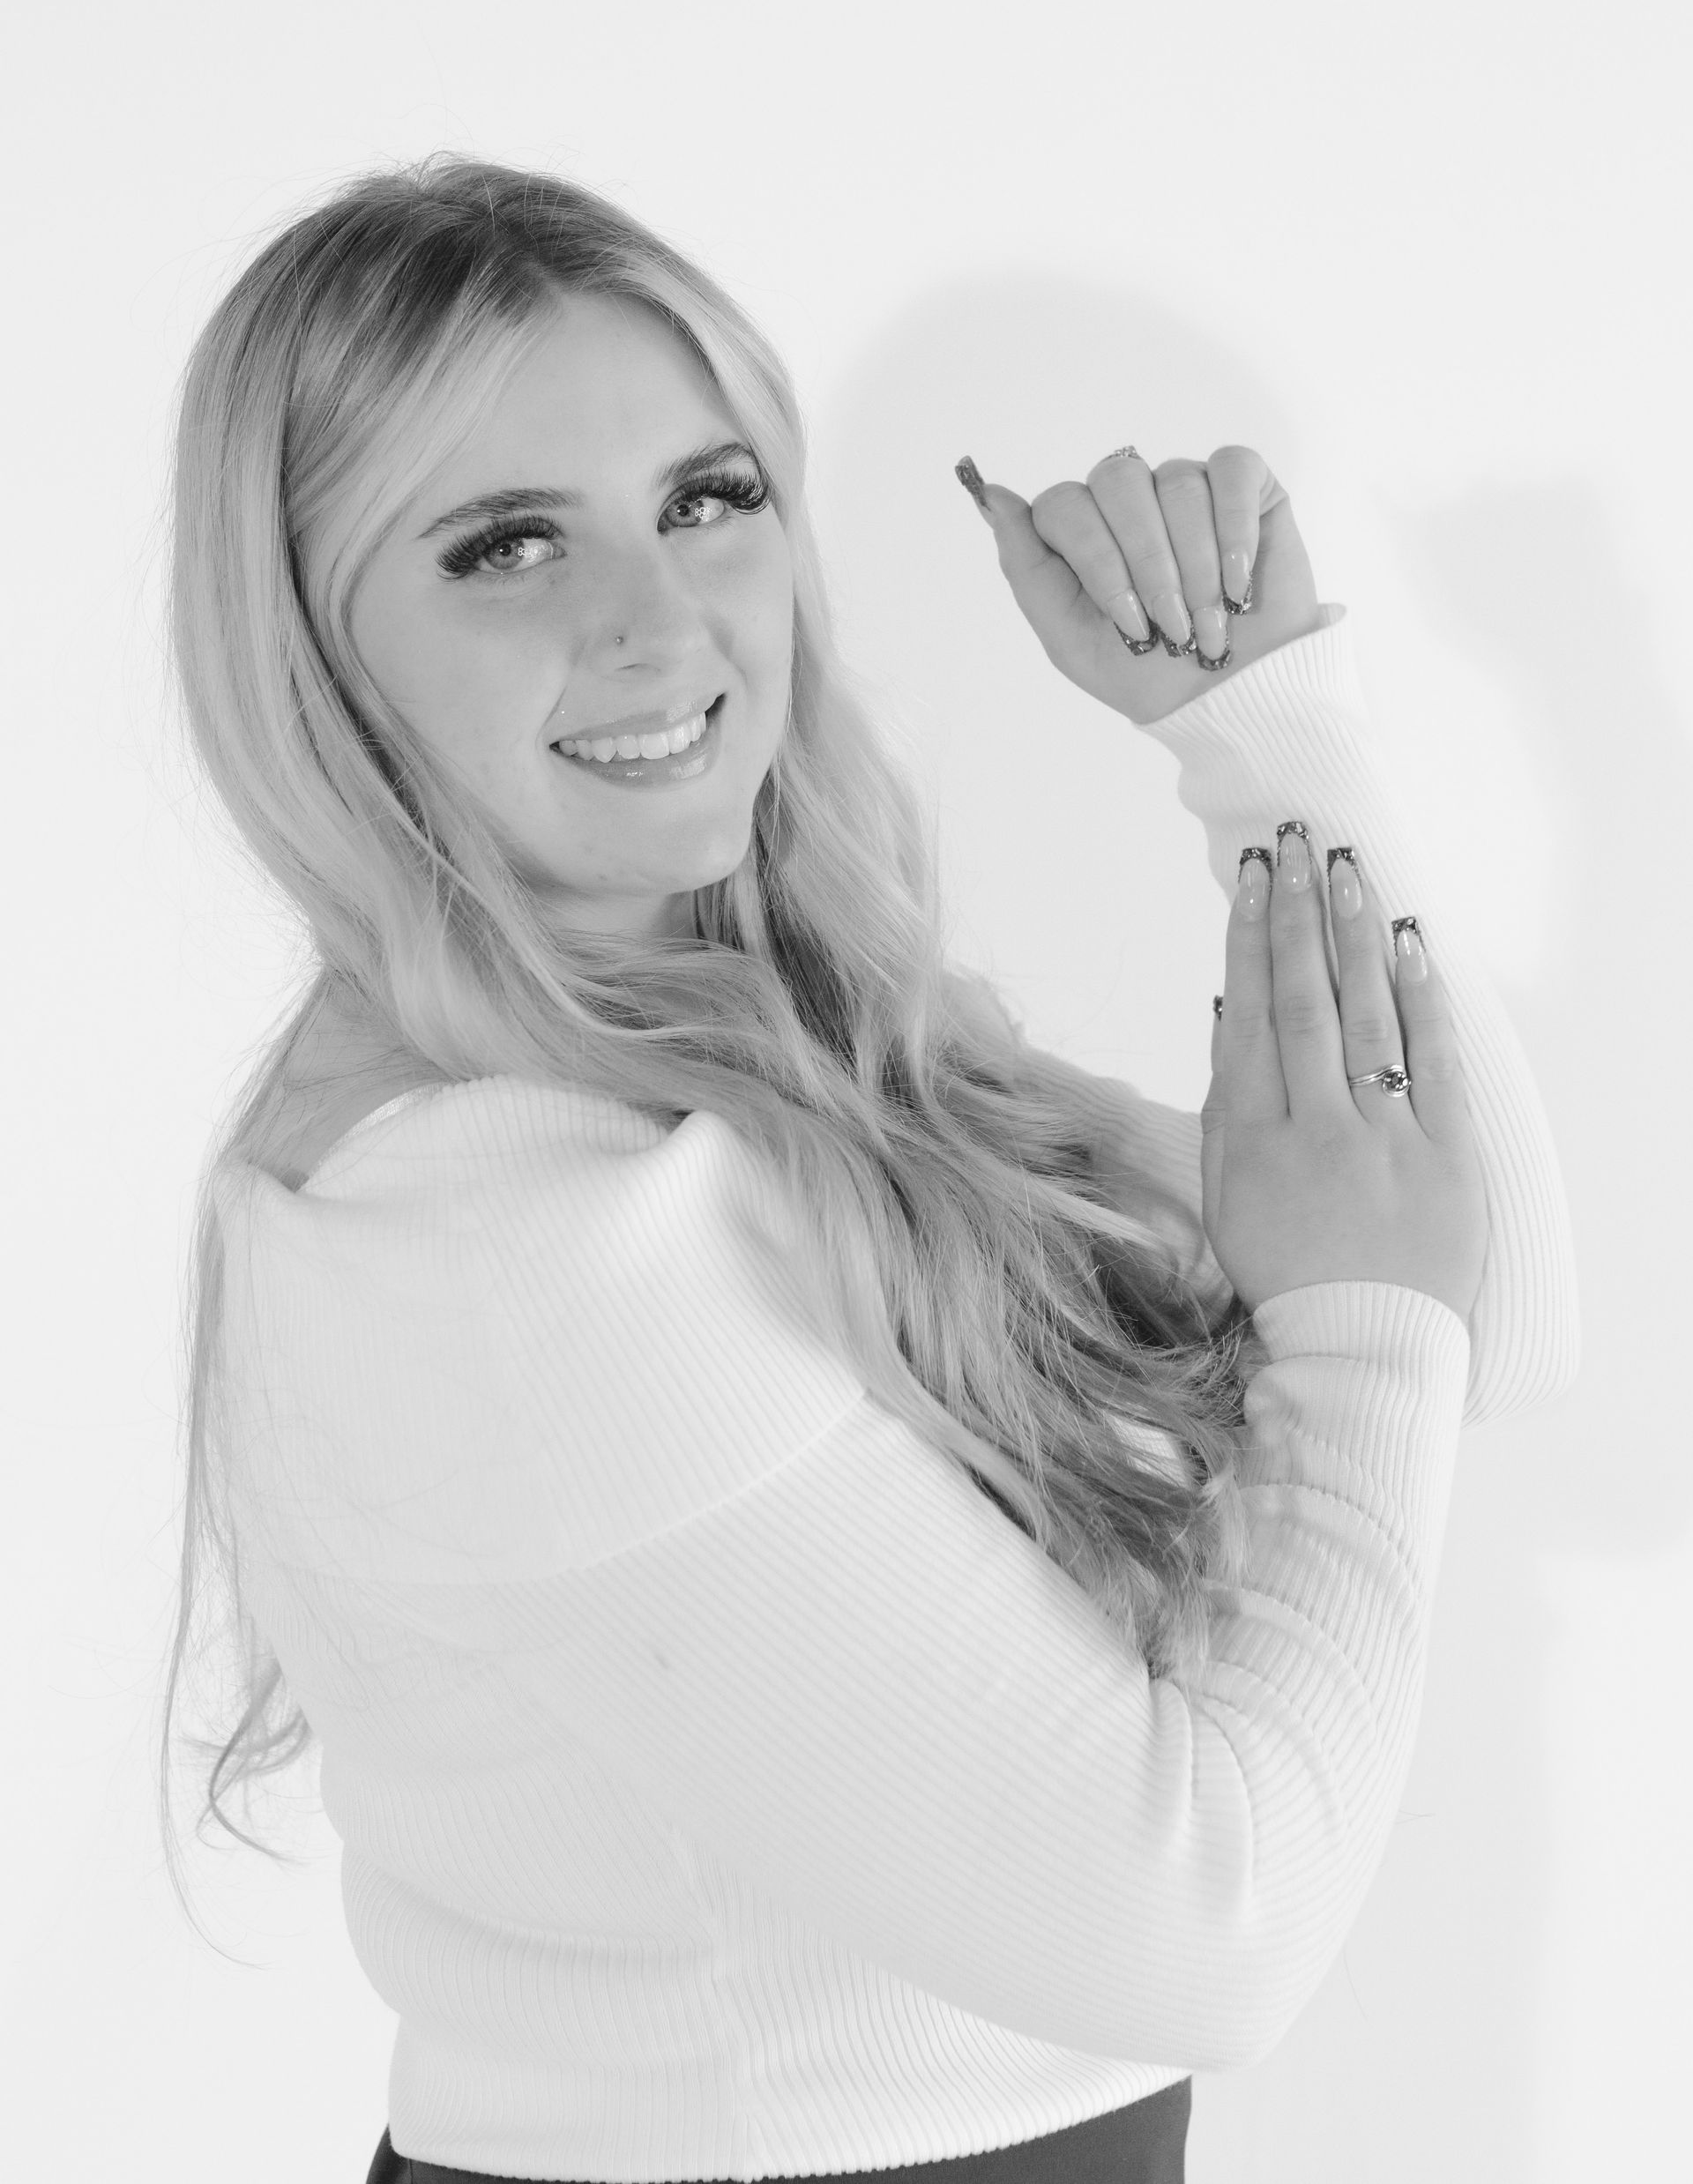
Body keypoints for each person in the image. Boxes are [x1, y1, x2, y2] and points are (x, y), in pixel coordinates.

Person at [157, 156, 1577, 2184]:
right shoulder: (512, 1232)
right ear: (316, 646)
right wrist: (1348, 1324)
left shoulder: (770, 1049)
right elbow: (1210, 1936)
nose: (659, 622)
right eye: (503, 545)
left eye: (706, 499)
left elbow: (1489, 1307)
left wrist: (1273, 736)